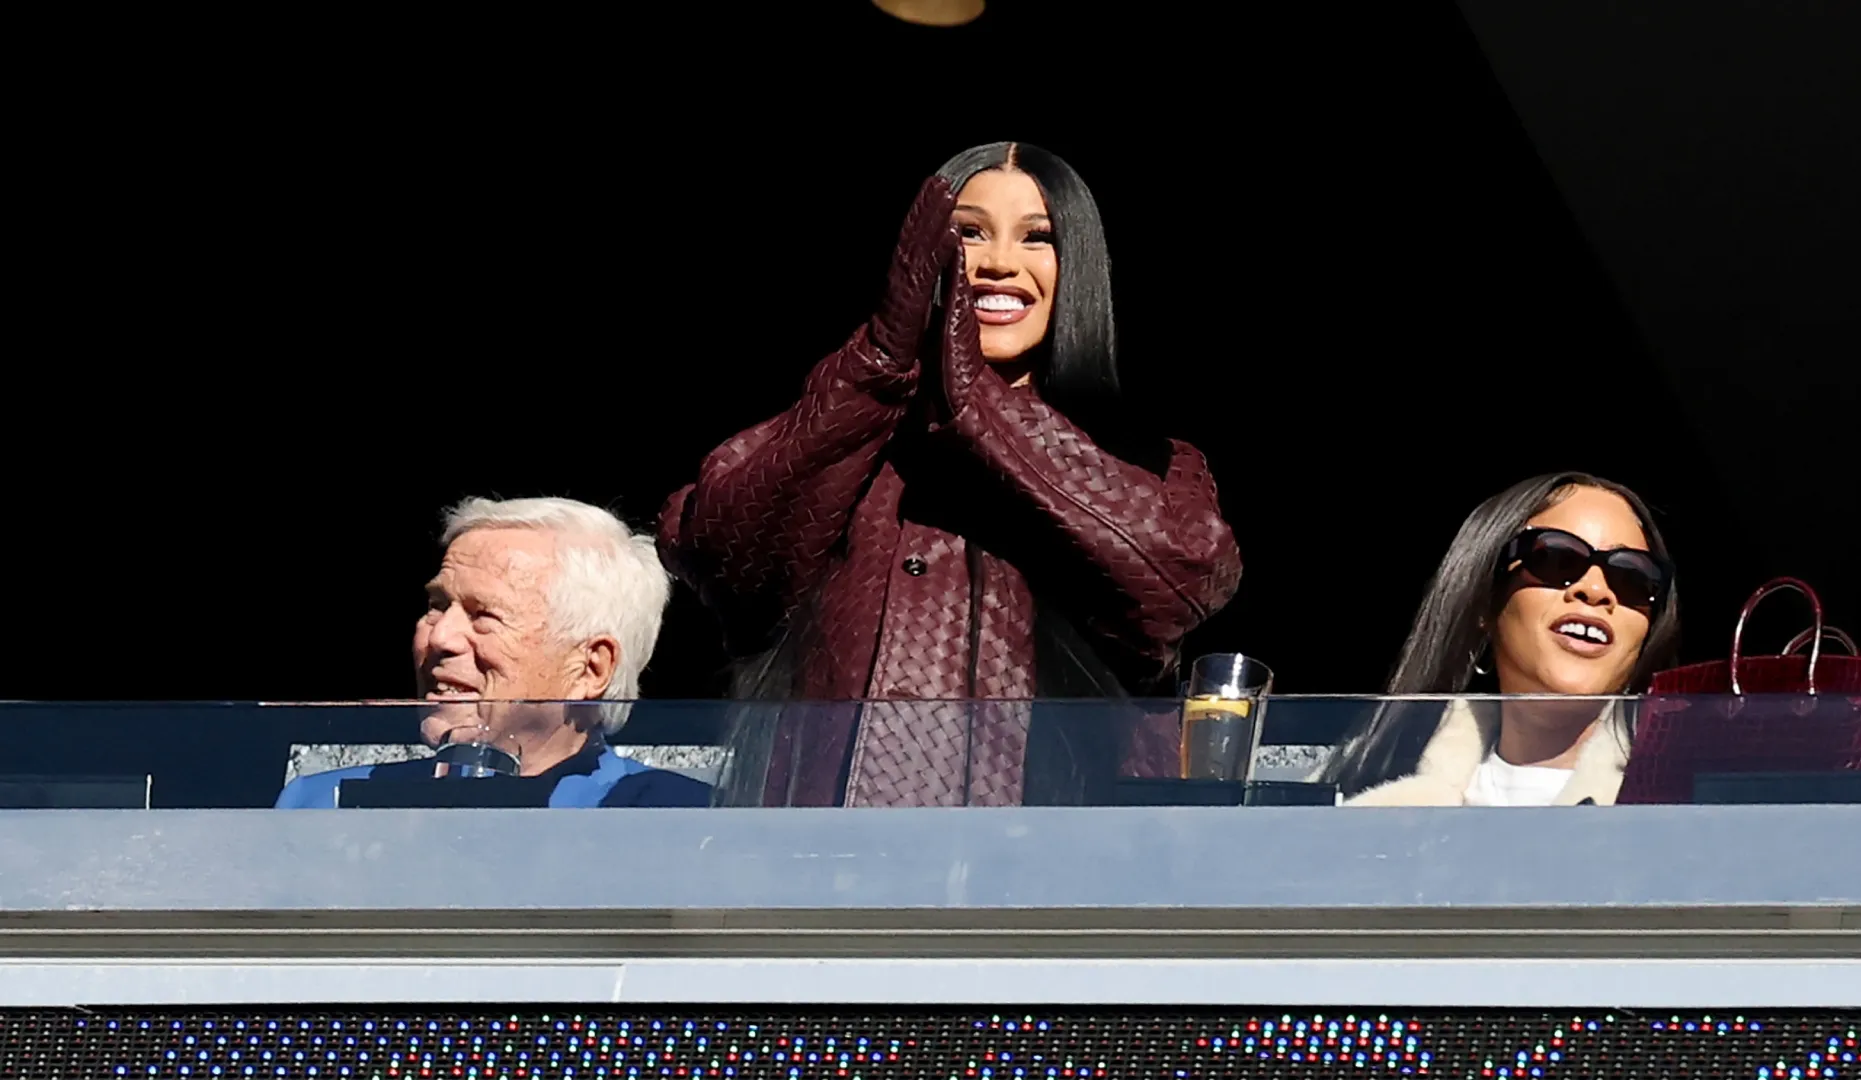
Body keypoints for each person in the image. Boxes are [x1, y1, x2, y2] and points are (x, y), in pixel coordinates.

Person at [657, 142, 1242, 807]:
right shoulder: (846, 429)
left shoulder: (1149, 462)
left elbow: (1186, 576)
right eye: (967, 233)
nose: (997, 262)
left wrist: (976, 403)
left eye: (1037, 238)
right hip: (825, 870)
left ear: (1077, 267)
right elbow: (714, 546)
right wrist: (881, 358)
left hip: (1056, 870)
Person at [275, 497, 711, 808]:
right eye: (437, 606)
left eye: (484, 616)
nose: (440, 638)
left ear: (590, 668)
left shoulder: (675, 821)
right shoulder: (320, 806)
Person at [1314, 472, 1680, 806]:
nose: (1597, 590)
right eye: (1556, 558)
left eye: (1633, 576)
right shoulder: (1352, 803)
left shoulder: (1690, 811)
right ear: (1484, 602)